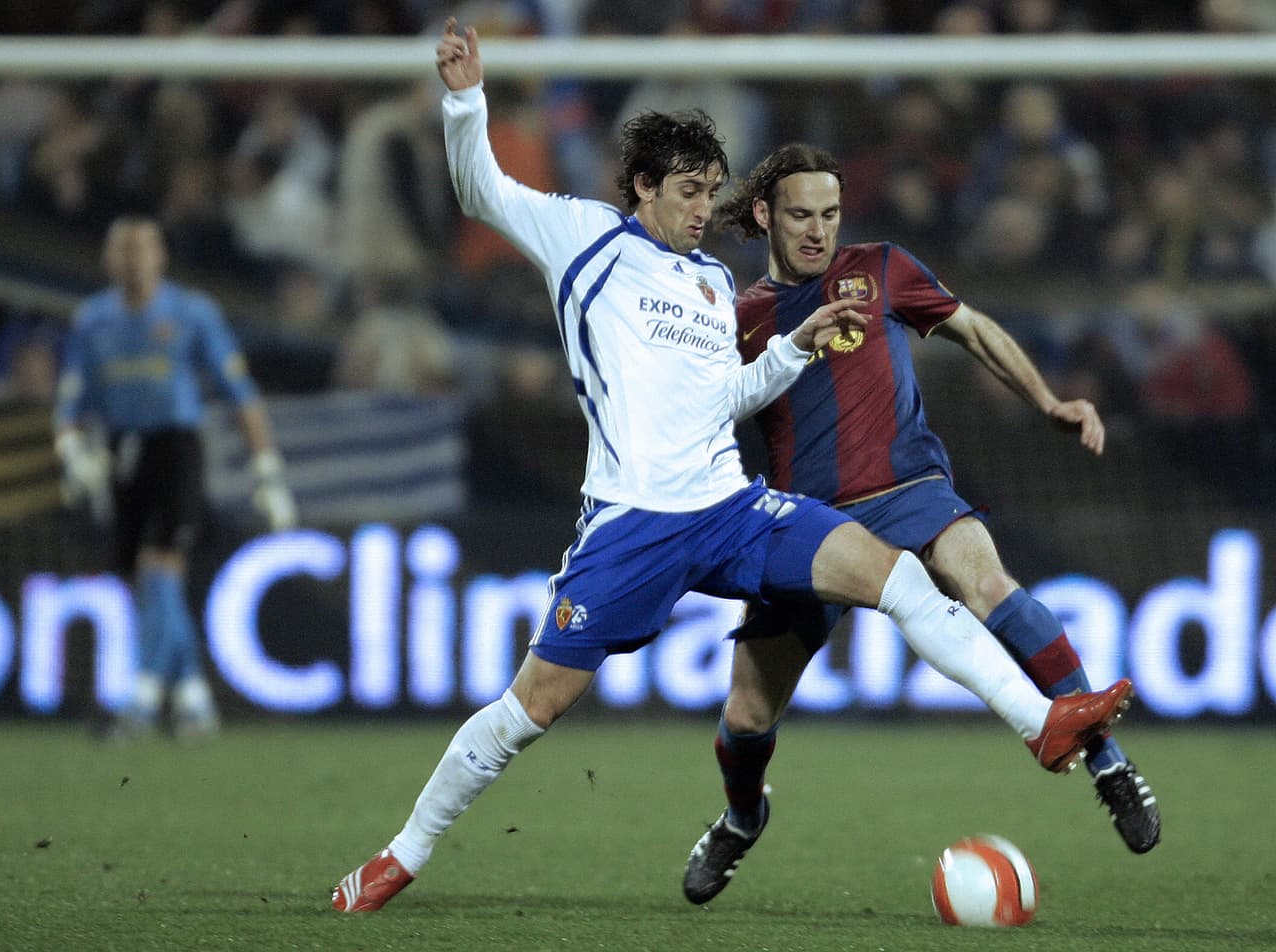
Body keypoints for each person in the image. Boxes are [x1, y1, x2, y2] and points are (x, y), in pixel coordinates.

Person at [330, 20, 1134, 914]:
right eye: (685, 192)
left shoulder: (714, 282)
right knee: (533, 709)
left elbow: (728, 399)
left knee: (900, 577)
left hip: (730, 507)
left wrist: (795, 347)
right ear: (642, 186)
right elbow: (479, 189)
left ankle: (1042, 726)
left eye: (711, 191)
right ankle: (401, 854)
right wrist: (465, 99)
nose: (700, 209)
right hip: (633, 521)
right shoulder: (585, 239)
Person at [680, 143, 1161, 907]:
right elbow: (700, 421)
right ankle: (742, 819)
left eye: (831, 214)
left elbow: (977, 330)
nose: (818, 231)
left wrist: (1048, 403)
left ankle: (1105, 762)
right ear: (766, 215)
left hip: (911, 487)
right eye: (801, 215)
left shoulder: (883, 269)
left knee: (986, 581)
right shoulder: (738, 317)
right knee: (747, 713)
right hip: (809, 523)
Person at [54, 215, 297, 741]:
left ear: (160, 256)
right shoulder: (92, 319)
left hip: (176, 449)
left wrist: (267, 471)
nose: (132, 259)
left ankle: (141, 701)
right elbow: (71, 402)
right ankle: (192, 699)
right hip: (121, 453)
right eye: (122, 249)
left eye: (142, 248)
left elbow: (241, 395)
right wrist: (73, 451)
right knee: (147, 579)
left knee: (160, 565)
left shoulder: (190, 313)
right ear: (108, 259)